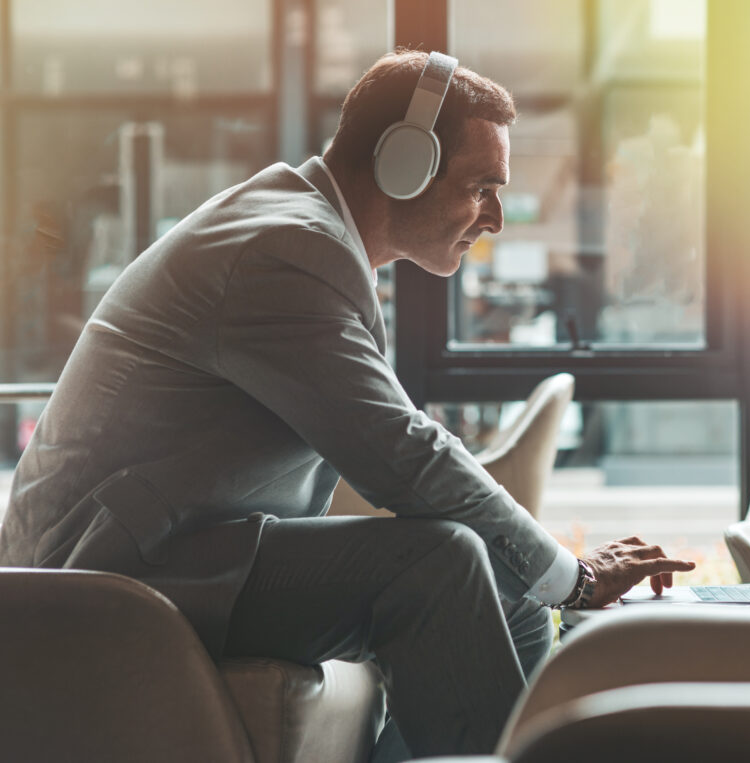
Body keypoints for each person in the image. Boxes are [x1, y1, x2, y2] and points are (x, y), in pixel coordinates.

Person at [0, 50, 694, 758]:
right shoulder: (285, 250)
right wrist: (572, 576)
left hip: (177, 548)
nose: (495, 219)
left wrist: (544, 575)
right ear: (404, 162)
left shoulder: (305, 234)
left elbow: (394, 448)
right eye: (481, 187)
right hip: (101, 578)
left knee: (501, 579)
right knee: (439, 561)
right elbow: (398, 450)